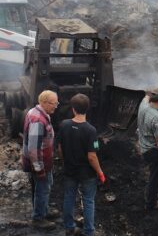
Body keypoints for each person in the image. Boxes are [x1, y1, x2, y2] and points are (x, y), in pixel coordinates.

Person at [56, 94, 106, 236]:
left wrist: (65, 161)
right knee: (88, 200)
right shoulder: (91, 131)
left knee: (69, 197)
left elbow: (59, 148)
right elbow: (92, 156)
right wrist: (100, 172)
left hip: (70, 170)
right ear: (87, 109)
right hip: (87, 174)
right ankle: (89, 231)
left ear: (73, 109)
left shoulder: (64, 125)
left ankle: (69, 227)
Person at [21, 90, 60, 230]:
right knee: (43, 189)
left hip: (41, 161)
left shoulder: (39, 113)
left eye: (57, 103)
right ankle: (38, 218)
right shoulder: (38, 120)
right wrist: (39, 168)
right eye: (53, 103)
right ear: (43, 102)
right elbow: (33, 148)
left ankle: (43, 210)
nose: (56, 106)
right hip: (39, 162)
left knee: (41, 188)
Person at [137, 86, 158, 210]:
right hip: (154, 151)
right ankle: (151, 203)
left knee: (154, 173)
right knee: (155, 177)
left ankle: (154, 193)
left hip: (144, 147)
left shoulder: (143, 106)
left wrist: (152, 92)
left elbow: (145, 98)